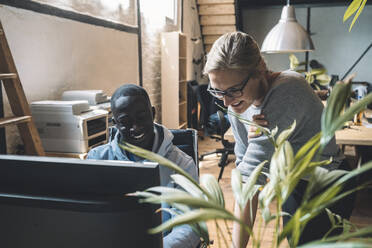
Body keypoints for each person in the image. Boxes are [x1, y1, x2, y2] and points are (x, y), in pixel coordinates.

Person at [203, 31, 355, 246]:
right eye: (217, 91)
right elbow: (244, 165)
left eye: (234, 90)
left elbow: (249, 182)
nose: (226, 102)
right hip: (294, 184)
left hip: (327, 186)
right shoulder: (236, 107)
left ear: (259, 71)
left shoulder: (288, 89)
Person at [87, 84, 200, 248]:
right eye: (125, 121)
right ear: (115, 123)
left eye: (141, 117)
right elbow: (90, 217)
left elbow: (190, 225)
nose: (135, 127)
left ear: (153, 113)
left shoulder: (181, 163)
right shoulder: (97, 160)